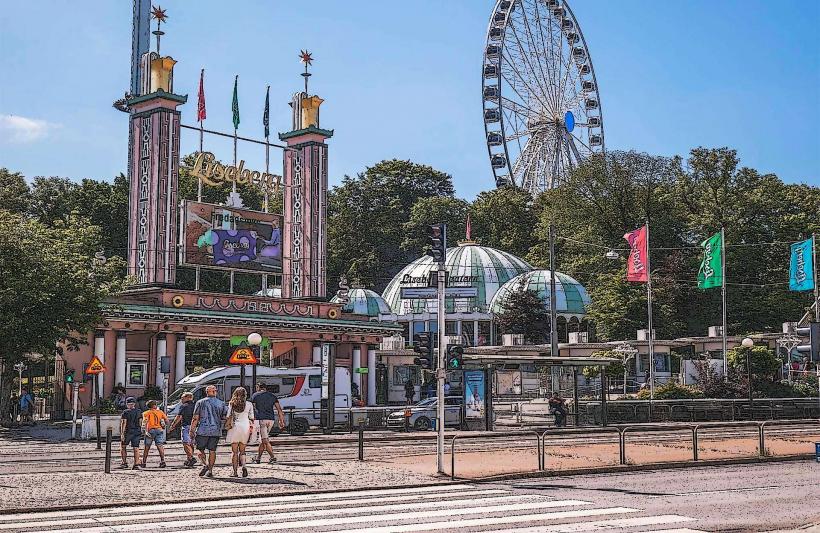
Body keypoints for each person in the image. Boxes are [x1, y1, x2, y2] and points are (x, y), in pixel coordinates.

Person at [190, 384, 227, 478]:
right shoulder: (221, 403)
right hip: (216, 430)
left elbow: (195, 418)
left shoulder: (200, 402)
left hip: (203, 429)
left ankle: (204, 464)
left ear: (207, 392)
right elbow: (225, 416)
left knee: (200, 449)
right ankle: (210, 470)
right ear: (215, 392)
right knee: (212, 451)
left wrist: (192, 430)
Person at [250, 383, 286, 464]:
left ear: (258, 387)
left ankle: (272, 457)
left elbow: (253, 409)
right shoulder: (272, 396)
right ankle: (258, 458)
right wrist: (281, 420)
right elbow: (279, 409)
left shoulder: (255, 396)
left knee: (265, 440)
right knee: (262, 440)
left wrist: (251, 420)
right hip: (271, 420)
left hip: (261, 419)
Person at [226, 387, 254, 478]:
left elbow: (228, 416)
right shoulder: (249, 404)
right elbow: (252, 417)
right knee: (242, 451)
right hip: (245, 426)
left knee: (234, 452)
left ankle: (234, 472)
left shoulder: (232, 404)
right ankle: (244, 467)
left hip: (235, 427)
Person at [168, 392, 196, 467]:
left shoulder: (184, 406)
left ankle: (191, 457)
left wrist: (173, 425)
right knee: (191, 444)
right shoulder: (196, 405)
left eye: (182, 397)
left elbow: (179, 417)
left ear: (188, 397)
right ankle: (189, 459)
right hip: (195, 426)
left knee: (185, 443)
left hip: (186, 426)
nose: (181, 399)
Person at [141, 400, 168, 468]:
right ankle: (162, 461)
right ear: (154, 405)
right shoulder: (160, 412)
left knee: (147, 447)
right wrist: (163, 424)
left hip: (150, 430)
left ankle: (144, 462)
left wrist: (144, 432)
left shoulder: (146, 413)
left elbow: (144, 422)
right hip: (159, 430)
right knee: (160, 446)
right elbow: (167, 421)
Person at [119, 397, 143, 470]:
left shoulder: (125, 412)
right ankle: (136, 464)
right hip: (137, 431)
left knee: (123, 447)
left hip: (128, 432)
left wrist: (122, 433)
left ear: (127, 404)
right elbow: (140, 422)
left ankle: (124, 463)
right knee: (136, 448)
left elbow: (124, 423)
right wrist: (141, 430)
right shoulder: (139, 411)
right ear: (134, 404)